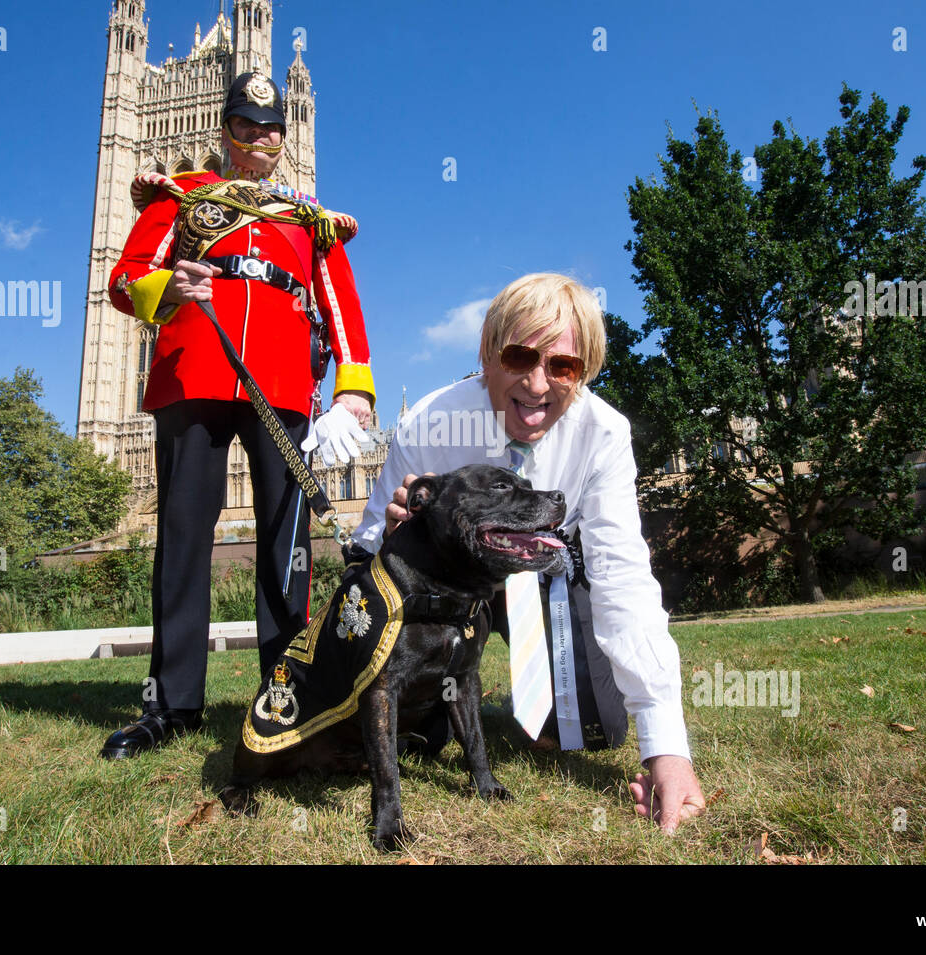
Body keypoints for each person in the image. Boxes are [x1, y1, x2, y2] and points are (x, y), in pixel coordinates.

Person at [353, 273, 705, 834]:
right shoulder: (429, 422)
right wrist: (394, 535)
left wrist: (666, 749)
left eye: (563, 366)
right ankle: (431, 709)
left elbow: (623, 576)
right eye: (520, 357)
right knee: (420, 736)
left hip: (545, 588)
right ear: (487, 356)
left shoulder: (605, 434)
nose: (538, 384)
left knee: (591, 731)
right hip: (443, 593)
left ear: (583, 373)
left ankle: (541, 706)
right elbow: (370, 541)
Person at [100, 71, 375, 759]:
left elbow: (340, 301)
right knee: (183, 537)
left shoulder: (308, 221)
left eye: (270, 128)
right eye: (246, 126)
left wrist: (354, 389)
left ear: (285, 138)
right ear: (226, 129)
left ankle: (286, 696)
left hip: (280, 384)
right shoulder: (180, 197)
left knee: (287, 546)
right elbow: (125, 278)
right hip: (193, 371)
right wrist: (169, 284)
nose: (258, 138)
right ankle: (173, 703)